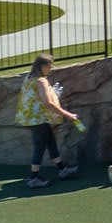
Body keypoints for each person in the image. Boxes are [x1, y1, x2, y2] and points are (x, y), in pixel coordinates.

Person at [17, 53, 81, 189]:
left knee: (51, 141)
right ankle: (34, 177)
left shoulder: (29, 78)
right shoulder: (41, 81)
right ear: (42, 66)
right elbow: (48, 103)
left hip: (32, 117)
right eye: (49, 65)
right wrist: (68, 115)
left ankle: (62, 169)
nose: (51, 68)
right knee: (39, 147)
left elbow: (36, 97)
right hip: (39, 119)